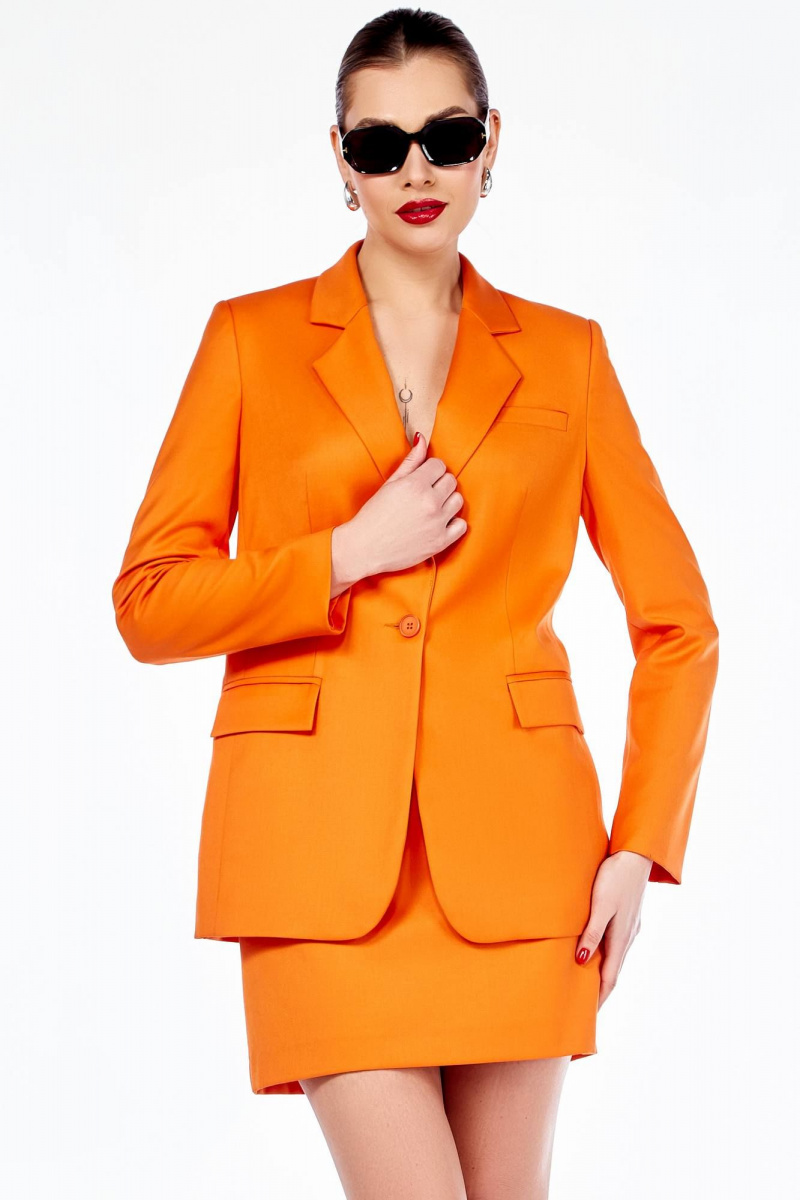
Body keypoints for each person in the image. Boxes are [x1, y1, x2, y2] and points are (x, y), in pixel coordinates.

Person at [111, 8, 719, 1198]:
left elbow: (678, 625)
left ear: (490, 141)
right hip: (313, 862)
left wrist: (638, 848)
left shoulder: (567, 357)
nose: (415, 172)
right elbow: (149, 601)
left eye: (444, 137)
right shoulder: (248, 342)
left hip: (523, 868)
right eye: (379, 145)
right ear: (340, 161)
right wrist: (340, 557)